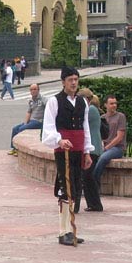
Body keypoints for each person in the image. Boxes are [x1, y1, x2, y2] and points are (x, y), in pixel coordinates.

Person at [42, 66, 92, 245]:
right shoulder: (54, 102)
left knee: (76, 187)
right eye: (70, 80)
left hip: (78, 149)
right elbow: (48, 127)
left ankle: (71, 228)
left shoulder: (82, 102)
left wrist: (87, 151)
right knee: (65, 187)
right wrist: (59, 140)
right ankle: (64, 231)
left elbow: (85, 127)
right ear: (63, 82)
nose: (73, 83)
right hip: (63, 151)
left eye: (76, 80)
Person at [90, 94, 127, 185]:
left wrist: (106, 148)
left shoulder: (120, 117)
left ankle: (94, 182)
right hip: (104, 146)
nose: (114, 105)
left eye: (115, 103)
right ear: (105, 105)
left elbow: (119, 137)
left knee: (103, 158)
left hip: (117, 148)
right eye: (111, 103)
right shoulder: (102, 118)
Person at [78, 88, 104, 212]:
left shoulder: (90, 109)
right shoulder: (91, 109)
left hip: (93, 148)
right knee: (87, 177)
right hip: (93, 147)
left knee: (88, 176)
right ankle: (92, 203)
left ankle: (96, 204)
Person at [8, 83, 46, 155]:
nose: (33, 91)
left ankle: (19, 150)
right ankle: (14, 148)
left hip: (39, 121)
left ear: (38, 90)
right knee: (15, 128)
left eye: (35, 89)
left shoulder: (43, 99)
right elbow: (29, 113)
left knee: (21, 129)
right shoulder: (31, 101)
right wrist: (25, 123)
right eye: (31, 89)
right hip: (32, 121)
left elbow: (49, 107)